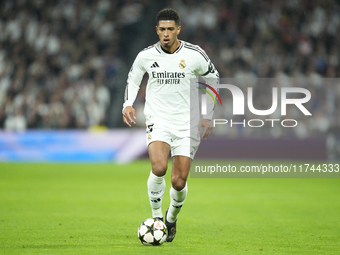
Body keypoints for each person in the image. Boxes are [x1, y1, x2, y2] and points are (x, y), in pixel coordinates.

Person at [122, 8, 219, 242]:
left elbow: (213, 78)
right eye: (162, 30)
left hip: (187, 124)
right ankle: (157, 220)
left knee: (179, 180)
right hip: (158, 119)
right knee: (158, 168)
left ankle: (171, 218)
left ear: (178, 29)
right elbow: (133, 77)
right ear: (157, 30)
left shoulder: (195, 55)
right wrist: (127, 103)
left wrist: (208, 113)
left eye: (170, 29)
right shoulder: (146, 55)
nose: (166, 34)